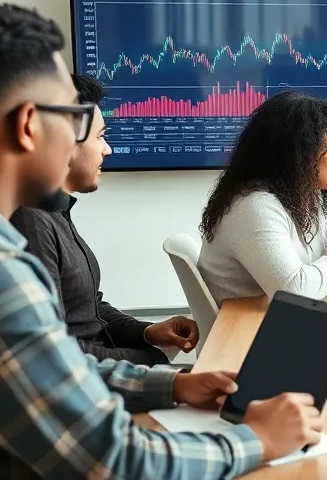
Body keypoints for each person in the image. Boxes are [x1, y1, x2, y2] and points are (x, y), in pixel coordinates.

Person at [0, 0, 324, 480]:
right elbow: (119, 471)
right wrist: (257, 441)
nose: (92, 139)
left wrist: (169, 388)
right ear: (29, 125)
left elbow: (42, 366)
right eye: (77, 119)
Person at [11, 74, 197, 365]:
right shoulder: (31, 222)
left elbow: (90, 308)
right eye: (100, 136)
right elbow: (58, 351)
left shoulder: (55, 213)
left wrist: (148, 332)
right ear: (64, 143)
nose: (107, 149)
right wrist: (152, 363)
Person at [198, 90, 327, 304]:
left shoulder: (300, 194)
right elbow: (295, 292)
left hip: (277, 320)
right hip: (247, 331)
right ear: (302, 151)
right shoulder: (254, 207)